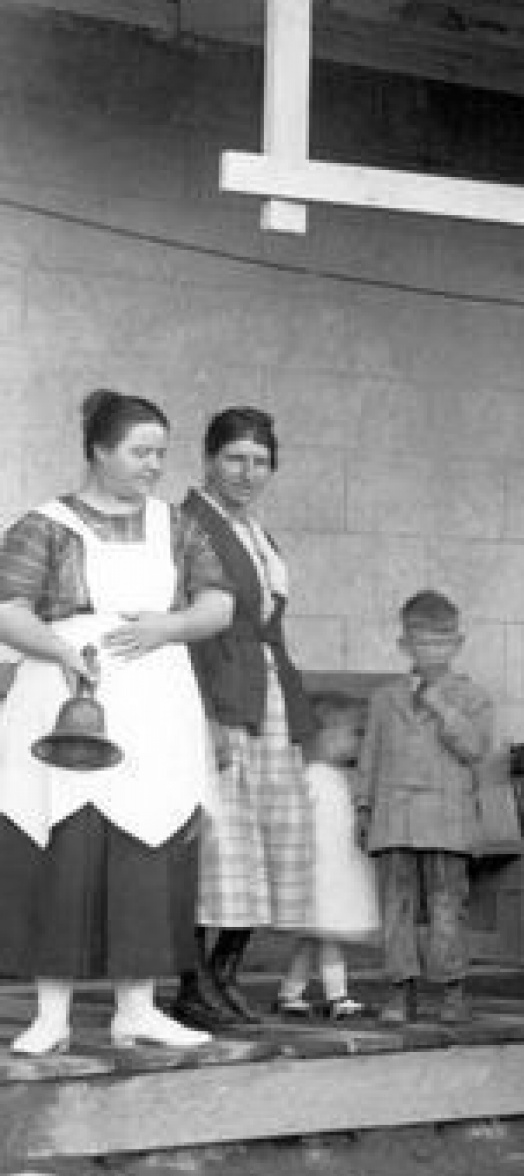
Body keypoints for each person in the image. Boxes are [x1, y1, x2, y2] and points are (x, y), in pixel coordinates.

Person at [0, 389, 236, 1054]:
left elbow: (218, 604)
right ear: (99, 451)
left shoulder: (176, 526)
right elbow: (8, 609)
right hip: (66, 695)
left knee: (150, 843)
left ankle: (138, 1008)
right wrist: (59, 649)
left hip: (155, 699)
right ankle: (51, 1014)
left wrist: (170, 626)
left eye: (160, 452)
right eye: (140, 451)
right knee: (63, 842)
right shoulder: (43, 525)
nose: (154, 465)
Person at [178, 406, 319, 1029]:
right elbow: (189, 631)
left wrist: (301, 720)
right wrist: (204, 714)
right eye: (235, 458)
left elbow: (271, 630)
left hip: (269, 696)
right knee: (220, 843)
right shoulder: (189, 526)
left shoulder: (258, 535)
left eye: (261, 462)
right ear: (209, 460)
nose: (248, 472)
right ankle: (194, 980)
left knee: (270, 837)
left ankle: (225, 974)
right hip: (220, 692)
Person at [359, 589, 496, 1027]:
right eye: (422, 642)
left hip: (447, 821)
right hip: (394, 818)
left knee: (446, 907)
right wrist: (363, 805)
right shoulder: (385, 698)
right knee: (395, 908)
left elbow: (474, 749)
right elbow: (370, 755)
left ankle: (452, 989)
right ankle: (399, 989)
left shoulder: (472, 697)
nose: (432, 651)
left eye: (442, 642)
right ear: (405, 645)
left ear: (458, 644)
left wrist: (440, 705)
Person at [275, 693, 378, 1020]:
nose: (359, 742)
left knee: (312, 941)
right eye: (354, 733)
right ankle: (338, 996)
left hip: (331, 872)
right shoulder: (315, 778)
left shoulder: (330, 777)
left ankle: (290, 993)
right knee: (328, 937)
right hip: (323, 875)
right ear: (326, 735)